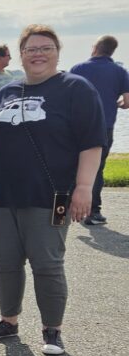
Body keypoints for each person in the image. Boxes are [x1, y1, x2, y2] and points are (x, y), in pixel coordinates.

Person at [0, 25, 105, 355]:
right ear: (21, 54)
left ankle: (52, 330)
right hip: (4, 194)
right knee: (4, 260)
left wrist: (84, 187)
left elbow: (91, 143)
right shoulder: (7, 92)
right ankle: (8, 322)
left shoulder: (76, 88)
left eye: (46, 48)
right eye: (31, 49)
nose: (38, 54)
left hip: (50, 194)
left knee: (47, 262)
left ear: (58, 52)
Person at [69, 35, 129, 225]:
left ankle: (65, 205)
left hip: (75, 125)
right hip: (104, 126)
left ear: (95, 48)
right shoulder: (119, 71)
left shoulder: (78, 69)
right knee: (96, 168)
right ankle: (93, 212)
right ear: (112, 50)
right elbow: (127, 101)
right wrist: (117, 103)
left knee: (70, 165)